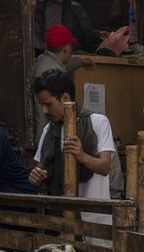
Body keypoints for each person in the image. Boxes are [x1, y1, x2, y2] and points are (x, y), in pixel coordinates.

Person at [29, 69, 121, 203]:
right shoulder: (49, 130)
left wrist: (82, 156)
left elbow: (105, 167)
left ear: (65, 98)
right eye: (42, 105)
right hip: (61, 213)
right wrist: (36, 177)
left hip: (94, 216)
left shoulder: (98, 122)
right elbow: (39, 167)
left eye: (48, 104)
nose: (44, 111)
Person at [33, 0, 100, 55]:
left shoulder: (75, 9)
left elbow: (88, 33)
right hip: (46, 55)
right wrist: (40, 45)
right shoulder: (39, 9)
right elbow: (34, 34)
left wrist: (98, 36)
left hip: (71, 54)